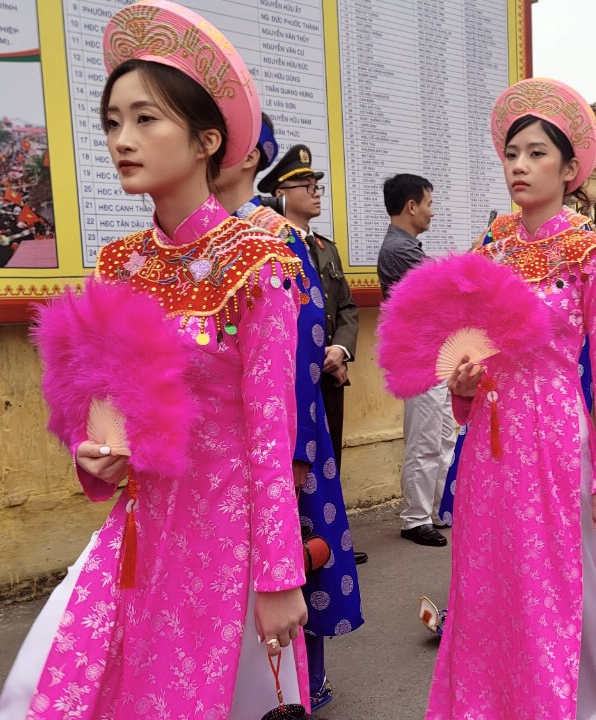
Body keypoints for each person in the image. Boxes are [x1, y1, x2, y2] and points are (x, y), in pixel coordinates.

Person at [0, 3, 309, 717]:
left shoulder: (258, 264)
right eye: (112, 121)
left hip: (227, 541)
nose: (122, 140)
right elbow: (99, 400)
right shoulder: (118, 264)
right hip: (138, 530)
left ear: (207, 140)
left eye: (145, 119)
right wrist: (91, 454)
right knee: (55, 689)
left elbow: (271, 432)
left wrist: (280, 575)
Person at [430, 77, 596, 719]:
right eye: (512, 153)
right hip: (489, 441)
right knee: (489, 574)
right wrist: (462, 389)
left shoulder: (592, 257)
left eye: (536, 153)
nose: (519, 165)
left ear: (570, 169)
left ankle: (576, 703)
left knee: (560, 574)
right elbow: (467, 353)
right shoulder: (489, 252)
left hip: (555, 434)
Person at [220, 129, 363, 711]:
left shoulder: (273, 236)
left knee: (298, 550)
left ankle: (304, 681)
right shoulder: (188, 238)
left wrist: (297, 443)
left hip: (280, 429)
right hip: (215, 447)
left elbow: (303, 339)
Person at [260, 146, 362, 506]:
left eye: (317, 185)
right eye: (306, 186)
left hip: (330, 374)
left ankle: (325, 535)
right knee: (291, 468)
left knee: (330, 460)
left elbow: (346, 306)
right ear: (280, 194)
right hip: (292, 377)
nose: (316, 192)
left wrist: (341, 350)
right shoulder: (270, 246)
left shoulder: (324, 247)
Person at [376, 173, 455, 547]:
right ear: (411, 206)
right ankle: (415, 518)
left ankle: (435, 509)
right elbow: (443, 290)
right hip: (418, 358)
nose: (432, 212)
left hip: (434, 354)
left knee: (442, 436)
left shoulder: (407, 247)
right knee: (424, 439)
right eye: (429, 203)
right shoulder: (399, 250)